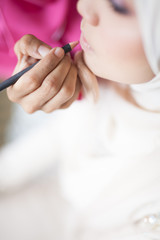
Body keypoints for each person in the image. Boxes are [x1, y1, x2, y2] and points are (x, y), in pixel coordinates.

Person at [0, 0, 160, 239]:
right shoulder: (110, 74)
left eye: (118, 6)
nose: (83, 6)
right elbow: (55, 138)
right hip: (57, 201)